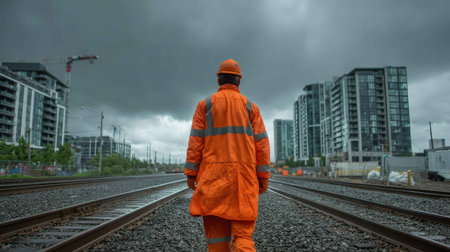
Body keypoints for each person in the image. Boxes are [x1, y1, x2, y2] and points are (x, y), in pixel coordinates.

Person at [184, 59, 270, 251]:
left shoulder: (204, 105)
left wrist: (191, 173)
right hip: (243, 180)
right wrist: (263, 177)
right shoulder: (251, 107)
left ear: (218, 80)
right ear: (239, 81)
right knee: (243, 236)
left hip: (212, 179)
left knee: (216, 241)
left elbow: (195, 142)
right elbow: (262, 145)